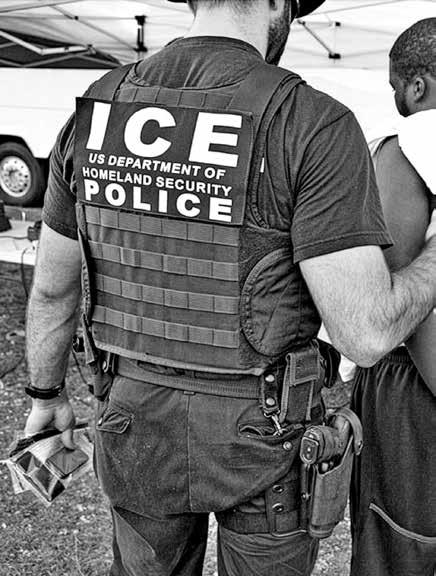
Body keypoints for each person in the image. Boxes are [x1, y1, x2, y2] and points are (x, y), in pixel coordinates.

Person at [23, 2, 436, 575]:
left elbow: (52, 291)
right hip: (266, 437)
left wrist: (45, 397)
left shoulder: (100, 107)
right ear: (278, 5)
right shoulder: (311, 121)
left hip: (133, 422)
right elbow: (365, 334)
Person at [350, 18, 436, 576]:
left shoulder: (410, 146)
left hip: (415, 390)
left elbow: (392, 298)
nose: (395, 100)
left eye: (395, 87)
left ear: (417, 86)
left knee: (401, 544)